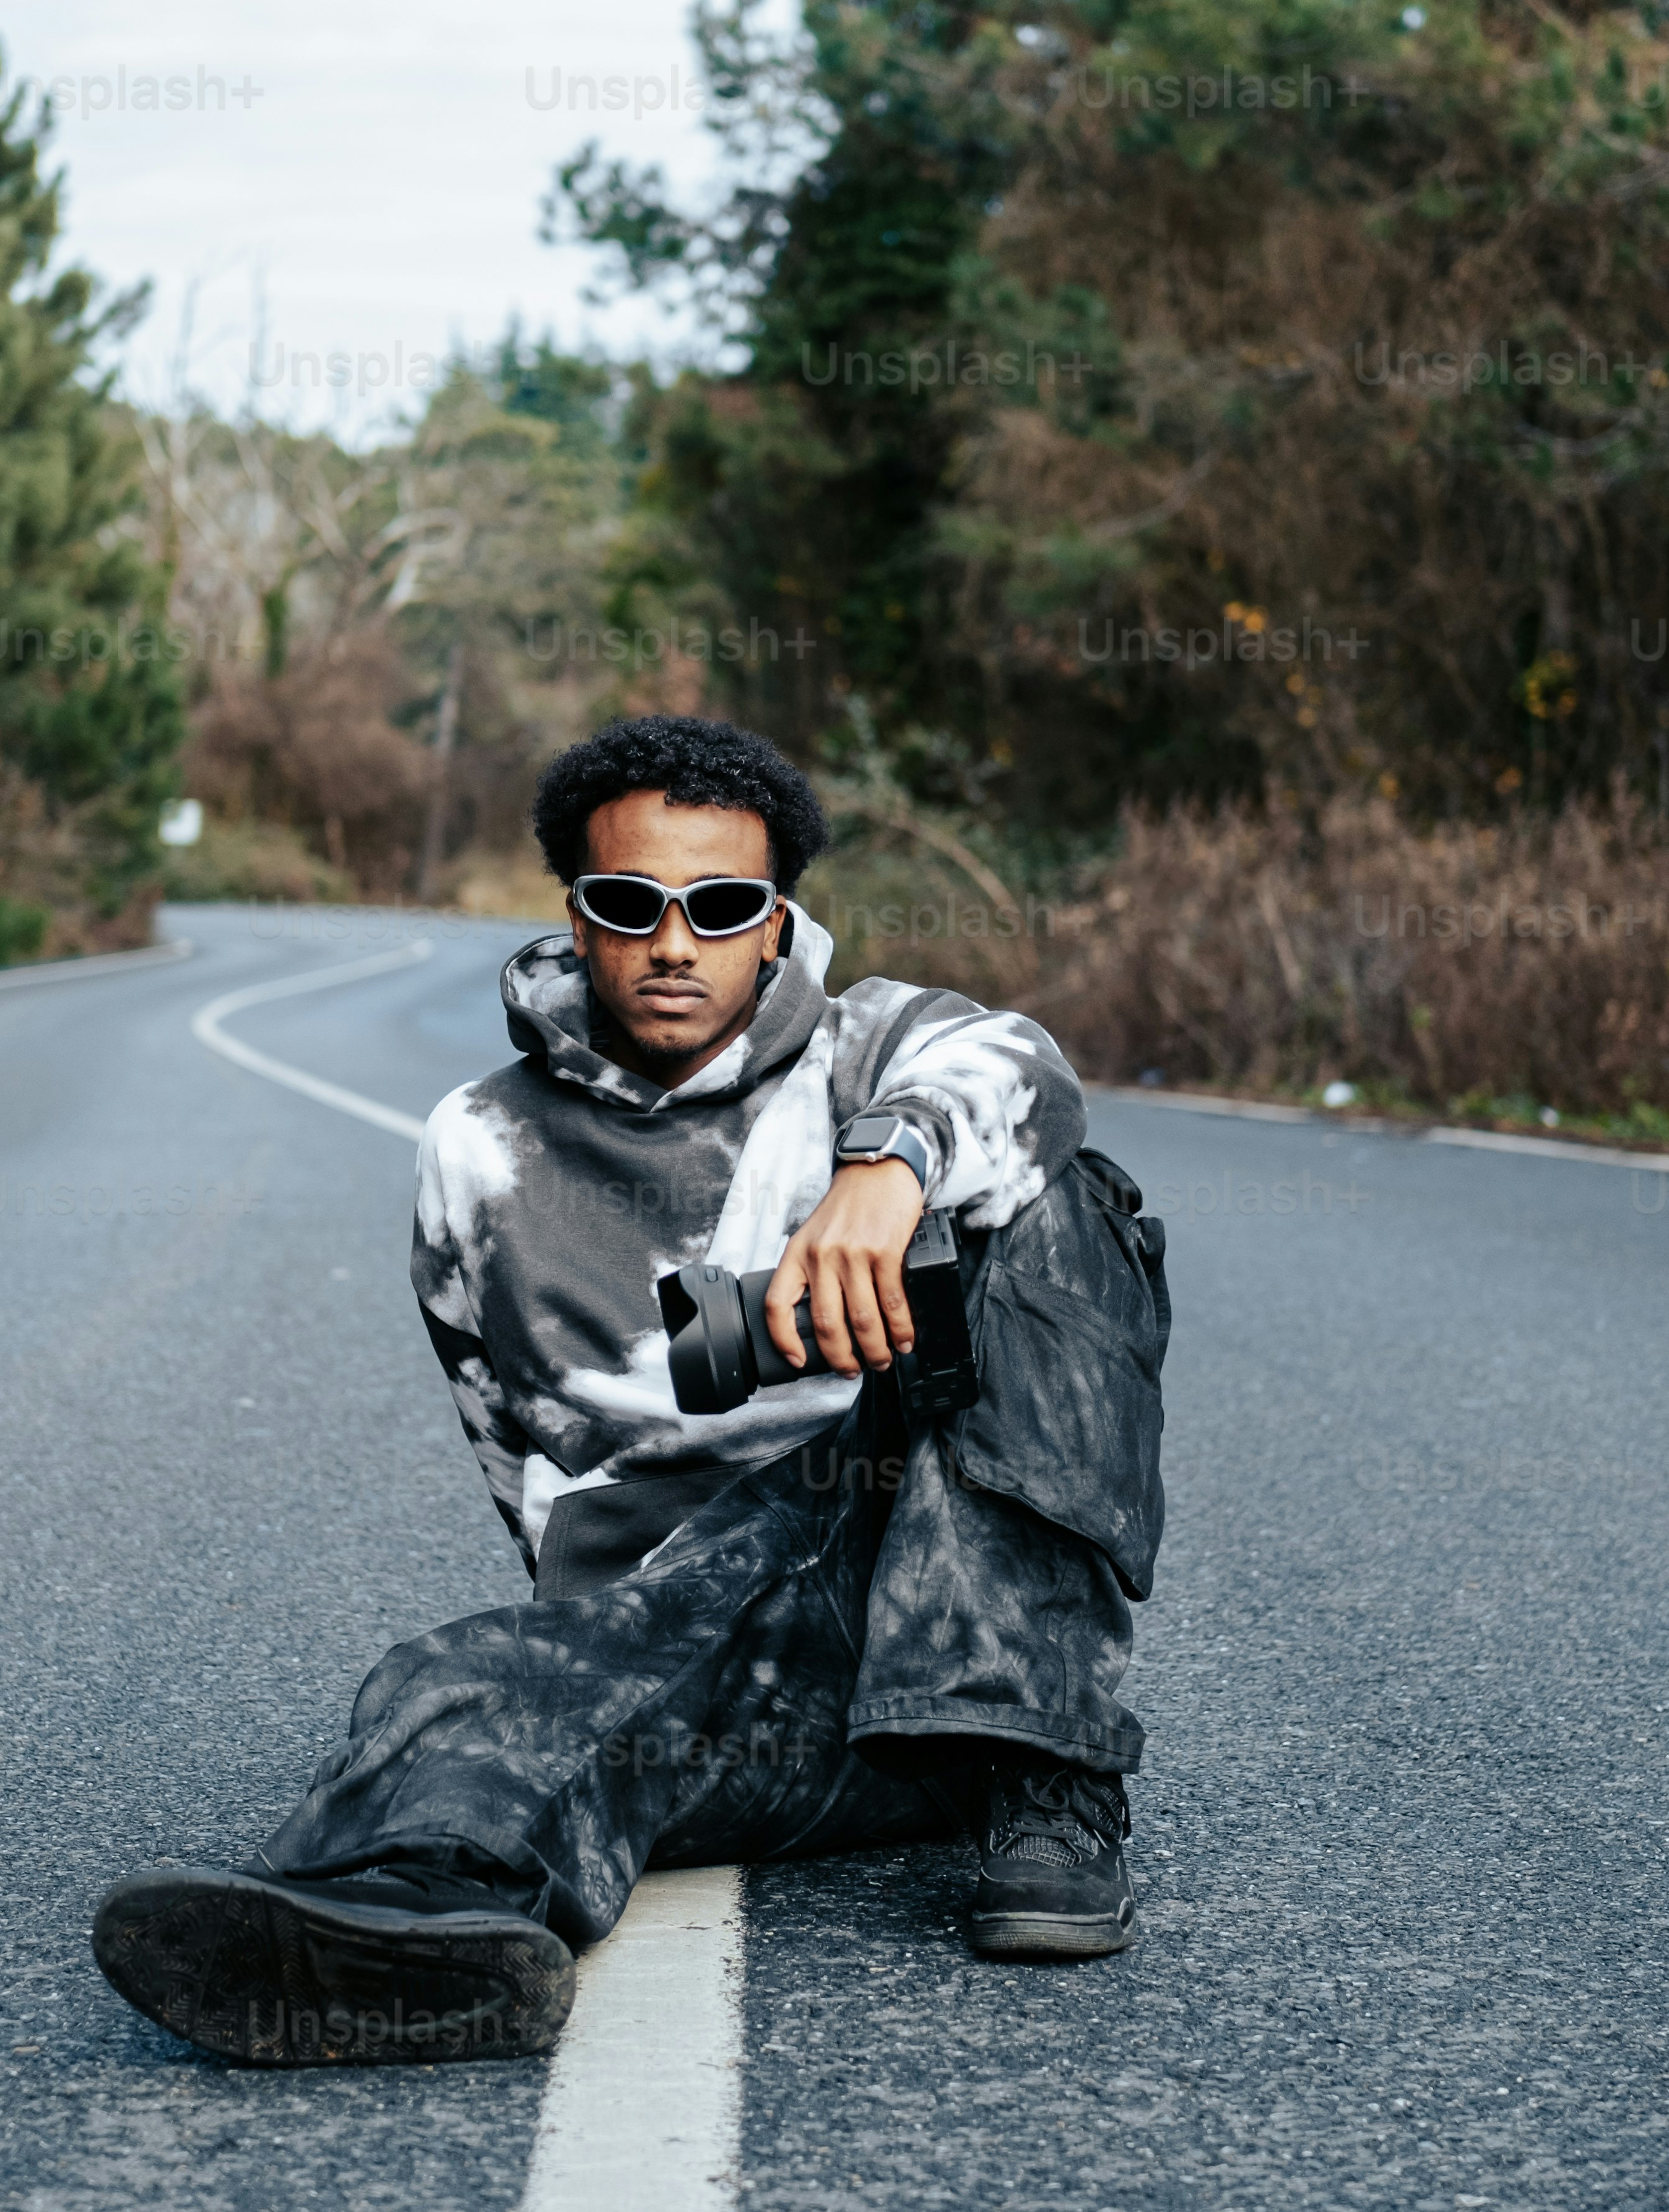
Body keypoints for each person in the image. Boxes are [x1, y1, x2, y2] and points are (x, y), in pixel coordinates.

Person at [93, 715, 1171, 2067]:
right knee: (459, 1674)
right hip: (719, 1675)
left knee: (1064, 1197)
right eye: (630, 903)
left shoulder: (872, 1048)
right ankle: (412, 1925)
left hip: (921, 1627)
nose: (674, 943)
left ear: (773, 926)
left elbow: (1023, 1066)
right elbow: (519, 1454)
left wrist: (889, 1167)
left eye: (720, 908)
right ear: (577, 916)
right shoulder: (477, 1143)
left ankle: (1047, 1768)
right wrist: (594, 1652)